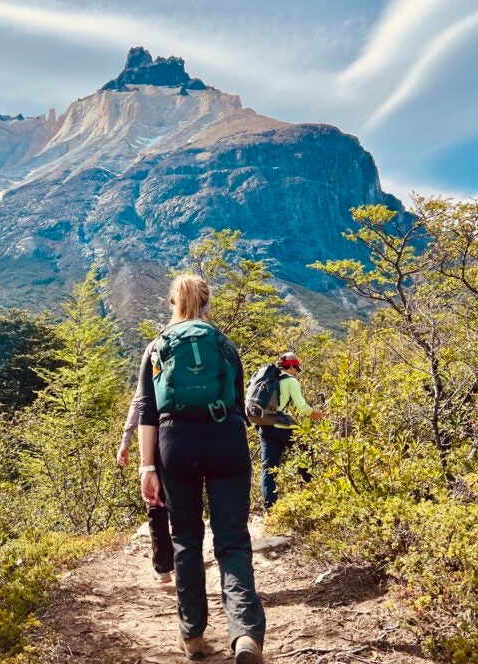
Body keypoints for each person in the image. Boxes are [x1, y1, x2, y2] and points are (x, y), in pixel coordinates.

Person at [133, 274, 266, 664]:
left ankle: (192, 636)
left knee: (187, 540)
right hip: (225, 440)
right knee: (232, 542)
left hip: (176, 445)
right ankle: (245, 635)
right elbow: (240, 403)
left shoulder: (157, 347)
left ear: (172, 303)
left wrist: (147, 467)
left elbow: (147, 411)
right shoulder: (223, 345)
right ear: (207, 305)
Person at [259, 352, 324, 510]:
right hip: (283, 428)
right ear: (293, 366)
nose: (296, 372)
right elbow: (302, 407)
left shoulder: (270, 379)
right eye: (296, 368)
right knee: (305, 455)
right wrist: (319, 415)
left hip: (265, 426)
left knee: (268, 467)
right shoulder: (291, 381)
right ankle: (307, 496)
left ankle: (270, 506)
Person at [117, 402, 174, 584]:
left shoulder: (151, 372)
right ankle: (186, 560)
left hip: (154, 441)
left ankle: (163, 567)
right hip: (184, 436)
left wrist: (126, 441)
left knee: (154, 500)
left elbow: (139, 404)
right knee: (184, 499)